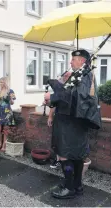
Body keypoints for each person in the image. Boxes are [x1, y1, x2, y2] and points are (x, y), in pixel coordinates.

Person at [44, 49, 101, 199]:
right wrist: (54, 95)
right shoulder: (79, 75)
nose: (70, 62)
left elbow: (77, 97)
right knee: (75, 155)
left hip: (71, 125)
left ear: (82, 61)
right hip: (69, 122)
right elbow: (69, 95)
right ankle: (77, 185)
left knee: (65, 154)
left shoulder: (86, 75)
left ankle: (69, 188)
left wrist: (53, 95)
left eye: (73, 59)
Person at [48, 71, 72, 169]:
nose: (66, 77)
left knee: (67, 142)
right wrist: (50, 116)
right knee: (57, 139)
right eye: (65, 76)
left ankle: (67, 163)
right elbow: (53, 104)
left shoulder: (74, 88)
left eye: (68, 76)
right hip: (59, 118)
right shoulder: (59, 88)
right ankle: (58, 160)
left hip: (70, 120)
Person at [0, 77, 16, 152]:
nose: (1, 83)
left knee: (5, 130)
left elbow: (12, 103)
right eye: (0, 82)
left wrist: (11, 99)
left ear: (6, 82)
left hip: (7, 112)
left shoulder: (10, 91)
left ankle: (4, 145)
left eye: (2, 82)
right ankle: (0, 143)